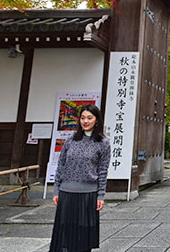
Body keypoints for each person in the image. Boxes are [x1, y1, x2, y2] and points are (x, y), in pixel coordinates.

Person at [50, 104, 110, 252]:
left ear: (97, 120)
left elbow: (103, 171)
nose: (85, 121)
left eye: (90, 118)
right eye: (82, 118)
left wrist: (100, 195)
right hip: (66, 192)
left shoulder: (103, 143)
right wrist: (56, 190)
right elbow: (61, 166)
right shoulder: (71, 140)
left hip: (88, 195)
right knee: (64, 236)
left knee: (82, 237)